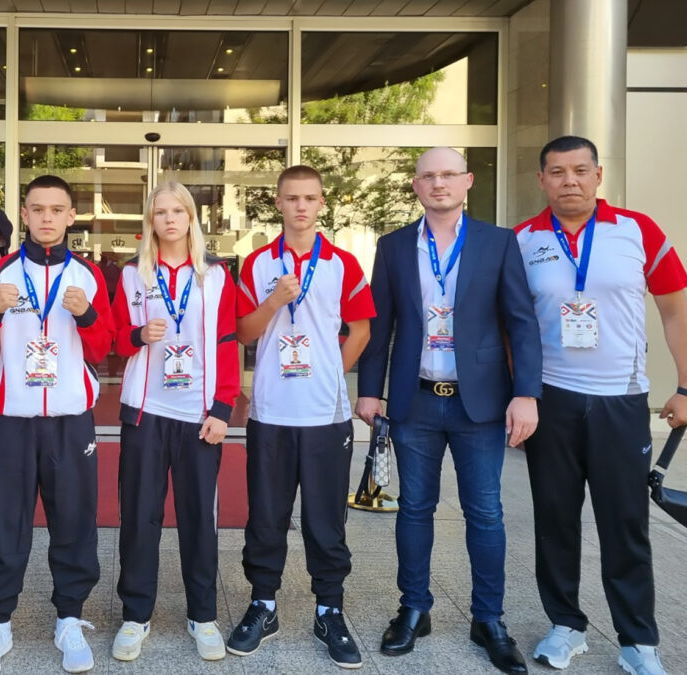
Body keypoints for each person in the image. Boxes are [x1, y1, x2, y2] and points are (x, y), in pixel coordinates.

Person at [515, 136, 687, 675]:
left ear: (599, 175)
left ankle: (638, 640)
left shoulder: (638, 231)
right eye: (557, 172)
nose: (568, 180)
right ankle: (565, 625)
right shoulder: (525, 240)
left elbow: (675, 312)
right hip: (552, 399)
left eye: (579, 170)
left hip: (621, 401)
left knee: (624, 522)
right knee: (555, 520)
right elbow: (514, 325)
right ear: (542, 180)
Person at [355, 147, 542, 674]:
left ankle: (489, 619)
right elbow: (380, 324)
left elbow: (521, 322)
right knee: (414, 509)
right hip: (415, 401)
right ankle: (414, 608)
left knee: (485, 513)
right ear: (415, 186)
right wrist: (371, 390)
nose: (438, 183)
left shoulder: (498, 242)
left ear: (467, 182)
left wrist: (525, 393)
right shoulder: (392, 246)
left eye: (448, 175)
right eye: (428, 176)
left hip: (479, 403)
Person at [0, 174, 114, 675]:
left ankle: (69, 617)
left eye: (57, 209)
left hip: (72, 419)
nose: (47, 217)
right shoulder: (1, 273)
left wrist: (89, 315)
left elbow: (106, 349)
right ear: (24, 215)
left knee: (73, 520)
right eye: (37, 209)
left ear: (71, 216)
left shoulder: (89, 275)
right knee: (6, 521)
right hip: (12, 419)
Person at [229, 165, 375, 670]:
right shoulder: (256, 263)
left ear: (321, 203)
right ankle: (263, 605)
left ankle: (329, 609)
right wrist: (274, 300)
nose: (301, 207)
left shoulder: (343, 263)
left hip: (325, 414)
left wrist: (332, 372)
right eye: (291, 198)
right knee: (266, 515)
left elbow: (360, 330)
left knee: (325, 517)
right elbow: (244, 334)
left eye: (310, 198)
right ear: (277, 202)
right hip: (270, 412)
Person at [108, 182, 239, 663]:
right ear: (150, 221)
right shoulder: (131, 275)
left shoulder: (217, 275)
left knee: (198, 519)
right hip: (146, 412)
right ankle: (134, 615)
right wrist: (139, 334)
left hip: (199, 416)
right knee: (139, 518)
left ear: (190, 217)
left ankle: (202, 615)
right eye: (159, 212)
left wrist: (223, 408)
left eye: (176, 211)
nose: (168, 219)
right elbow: (114, 342)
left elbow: (228, 343)